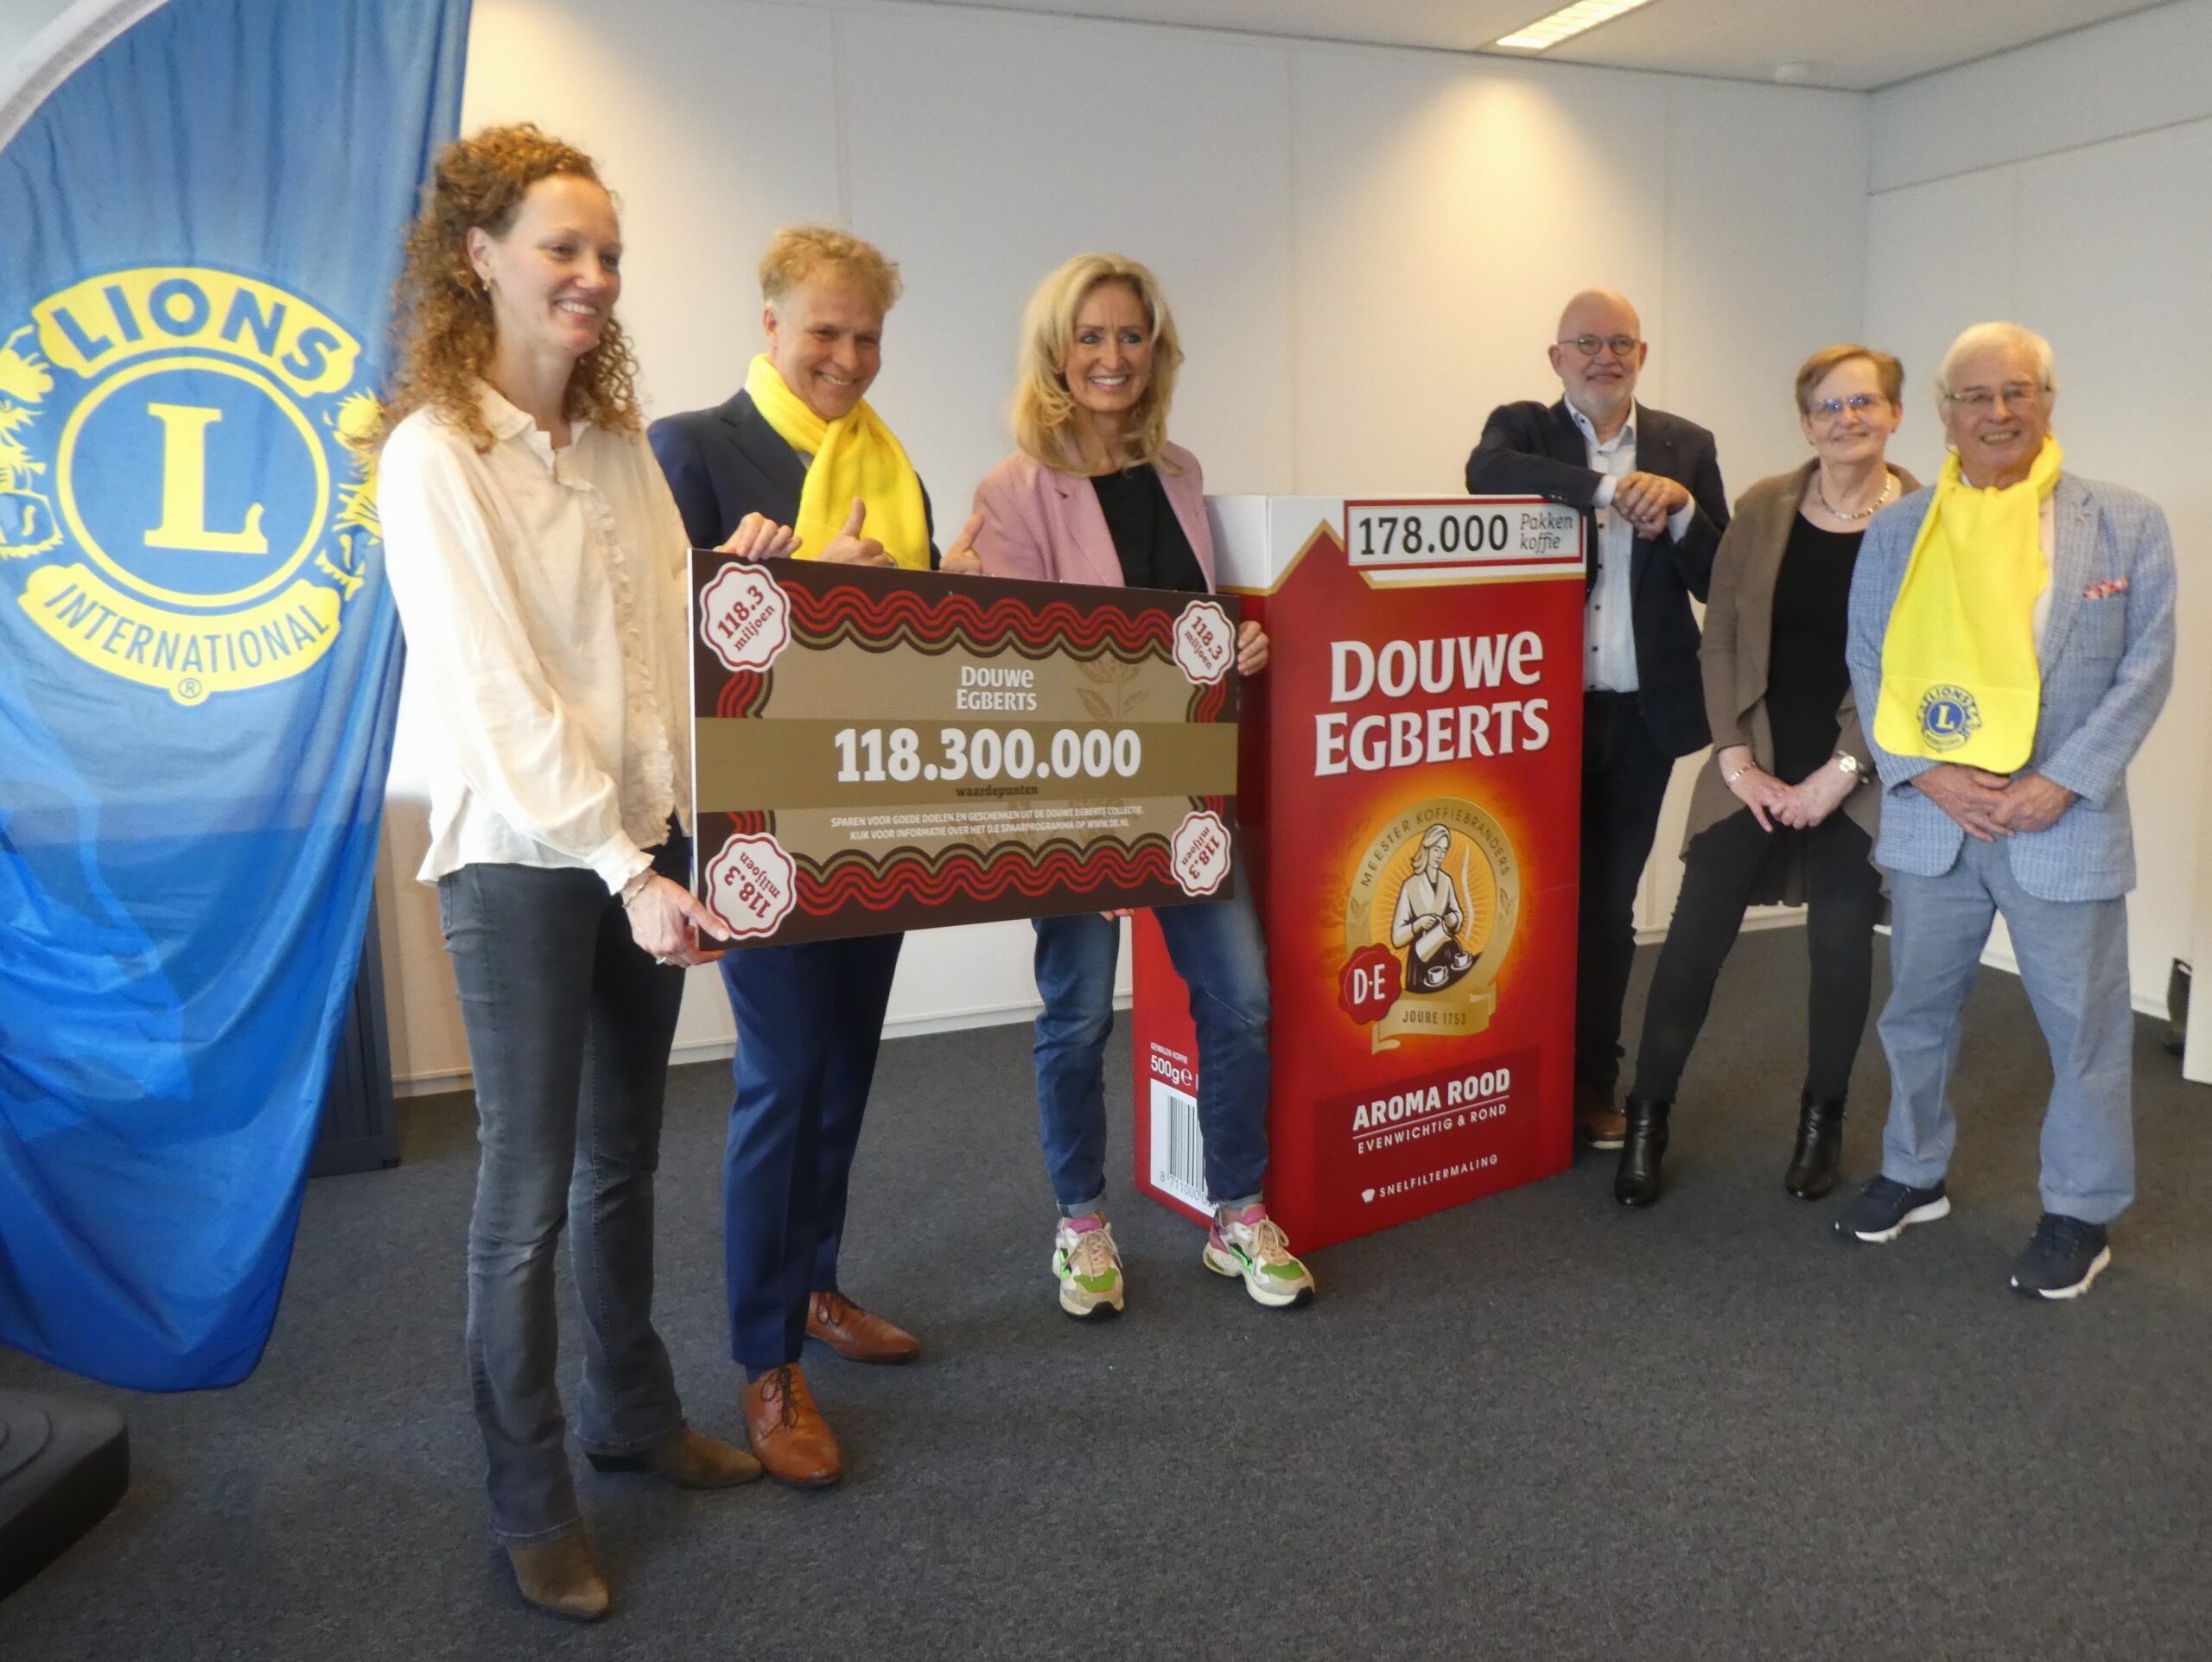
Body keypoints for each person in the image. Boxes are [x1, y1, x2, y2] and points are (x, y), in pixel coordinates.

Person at [378, 124, 780, 1622]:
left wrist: (743, 587)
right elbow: (497, 693)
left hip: (640, 851)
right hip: (528, 867)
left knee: (626, 1158)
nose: (594, 275)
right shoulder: (436, 455)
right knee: (527, 1192)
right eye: (563, 247)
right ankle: (530, 1497)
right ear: (478, 256)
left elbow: (662, 651)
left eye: (608, 251)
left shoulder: (619, 451)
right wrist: (623, 863)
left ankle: (632, 1414)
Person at [650, 226, 980, 1486]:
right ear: (771, 324)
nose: (846, 357)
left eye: (867, 337)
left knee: (842, 1073)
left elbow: (919, 652)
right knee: (781, 1083)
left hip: (872, 822)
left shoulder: (899, 471)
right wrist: (790, 593)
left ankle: (817, 1285)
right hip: (758, 835)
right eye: (824, 332)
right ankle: (765, 1359)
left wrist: (953, 597)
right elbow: (658, 645)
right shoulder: (692, 449)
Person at [963, 252, 1314, 1318]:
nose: (1112, 357)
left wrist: (1234, 651)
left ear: (1156, 352)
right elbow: (1021, 665)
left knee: (1241, 1000)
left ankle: (1236, 1212)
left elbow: (1179, 628)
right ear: (1055, 352)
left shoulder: (1180, 472)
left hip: (1187, 792)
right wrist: (1101, 827)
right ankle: (1080, 1221)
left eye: (1130, 336)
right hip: (1075, 799)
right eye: (1091, 336)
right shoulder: (1015, 488)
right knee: (1076, 1017)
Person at [1838, 321, 2175, 1300]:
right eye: (1975, 396)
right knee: (1916, 1014)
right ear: (1944, 414)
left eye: (2016, 392)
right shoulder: (1900, 528)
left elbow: (2146, 667)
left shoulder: (2124, 522)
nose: (1997, 412)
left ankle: (2080, 1211)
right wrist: (1927, 773)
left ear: (2047, 403)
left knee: (2085, 1030)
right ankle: (1912, 1171)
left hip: (2060, 820)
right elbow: (1870, 660)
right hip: (1936, 819)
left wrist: (2061, 780)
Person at [1612, 346, 1917, 1208]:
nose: (1846, 419)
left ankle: (1821, 1123)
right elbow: (1722, 636)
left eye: (1863, 402)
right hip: (1753, 760)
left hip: (1860, 769)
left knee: (1840, 953)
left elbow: (1918, 667)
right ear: (1806, 422)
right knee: (1689, 948)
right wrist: (1734, 757)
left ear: (1894, 415)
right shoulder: (1762, 506)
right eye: (1828, 406)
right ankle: (1646, 1120)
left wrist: (1843, 771)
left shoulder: (1925, 524)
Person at [1464, 289, 1729, 1151]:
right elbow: (1486, 474)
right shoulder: (1524, 429)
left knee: (1608, 909)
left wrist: (1679, 509)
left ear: (1641, 355)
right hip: (1538, 723)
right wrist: (1613, 490)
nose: (1604, 357)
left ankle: (1590, 1083)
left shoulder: (1687, 445)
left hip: (1643, 719)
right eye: (1586, 343)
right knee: (1520, 900)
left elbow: (1719, 577)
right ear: (1557, 358)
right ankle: (1515, 1077)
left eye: (1620, 343)